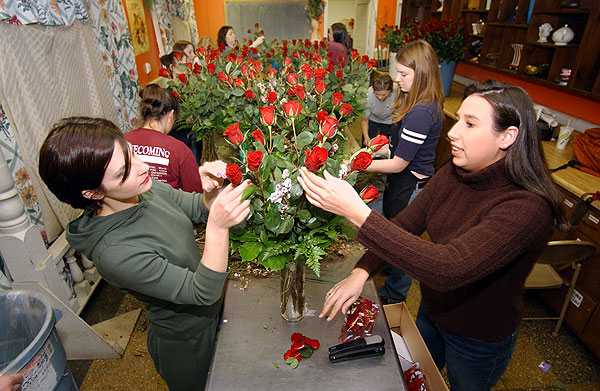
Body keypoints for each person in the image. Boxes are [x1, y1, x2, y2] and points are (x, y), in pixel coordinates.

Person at [298, 80, 568, 390]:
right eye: (458, 121)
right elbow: (405, 224)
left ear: (507, 137)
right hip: (433, 313)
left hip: (478, 337)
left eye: (470, 124)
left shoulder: (527, 207)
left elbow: (450, 268)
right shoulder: (456, 172)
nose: (453, 133)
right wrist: (363, 270)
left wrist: (358, 213)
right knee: (419, 378)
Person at [38, 117, 251, 391]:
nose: (143, 166)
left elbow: (198, 207)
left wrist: (213, 189)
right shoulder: (114, 253)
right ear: (92, 193)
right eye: (122, 172)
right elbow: (203, 291)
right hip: (189, 344)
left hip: (215, 314)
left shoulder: (143, 191)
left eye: (132, 152)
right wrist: (218, 228)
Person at [366, 40, 444, 304]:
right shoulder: (419, 102)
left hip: (410, 185)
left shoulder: (421, 112)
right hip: (403, 181)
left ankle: (394, 295)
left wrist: (360, 164)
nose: (397, 80)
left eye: (403, 74)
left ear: (421, 73)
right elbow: (402, 148)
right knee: (393, 231)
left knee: (403, 246)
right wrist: (381, 149)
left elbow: (400, 163)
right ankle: (389, 272)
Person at [126, 84, 202, 193]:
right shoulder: (179, 150)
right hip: (168, 208)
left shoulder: (122, 141)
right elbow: (195, 195)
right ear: (171, 115)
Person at [361, 72, 397, 147]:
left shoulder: (397, 93)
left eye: (383, 94)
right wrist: (366, 136)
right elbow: (364, 120)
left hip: (389, 120)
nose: (380, 97)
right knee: (366, 144)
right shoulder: (368, 96)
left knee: (385, 145)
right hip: (373, 118)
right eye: (377, 94)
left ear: (390, 91)